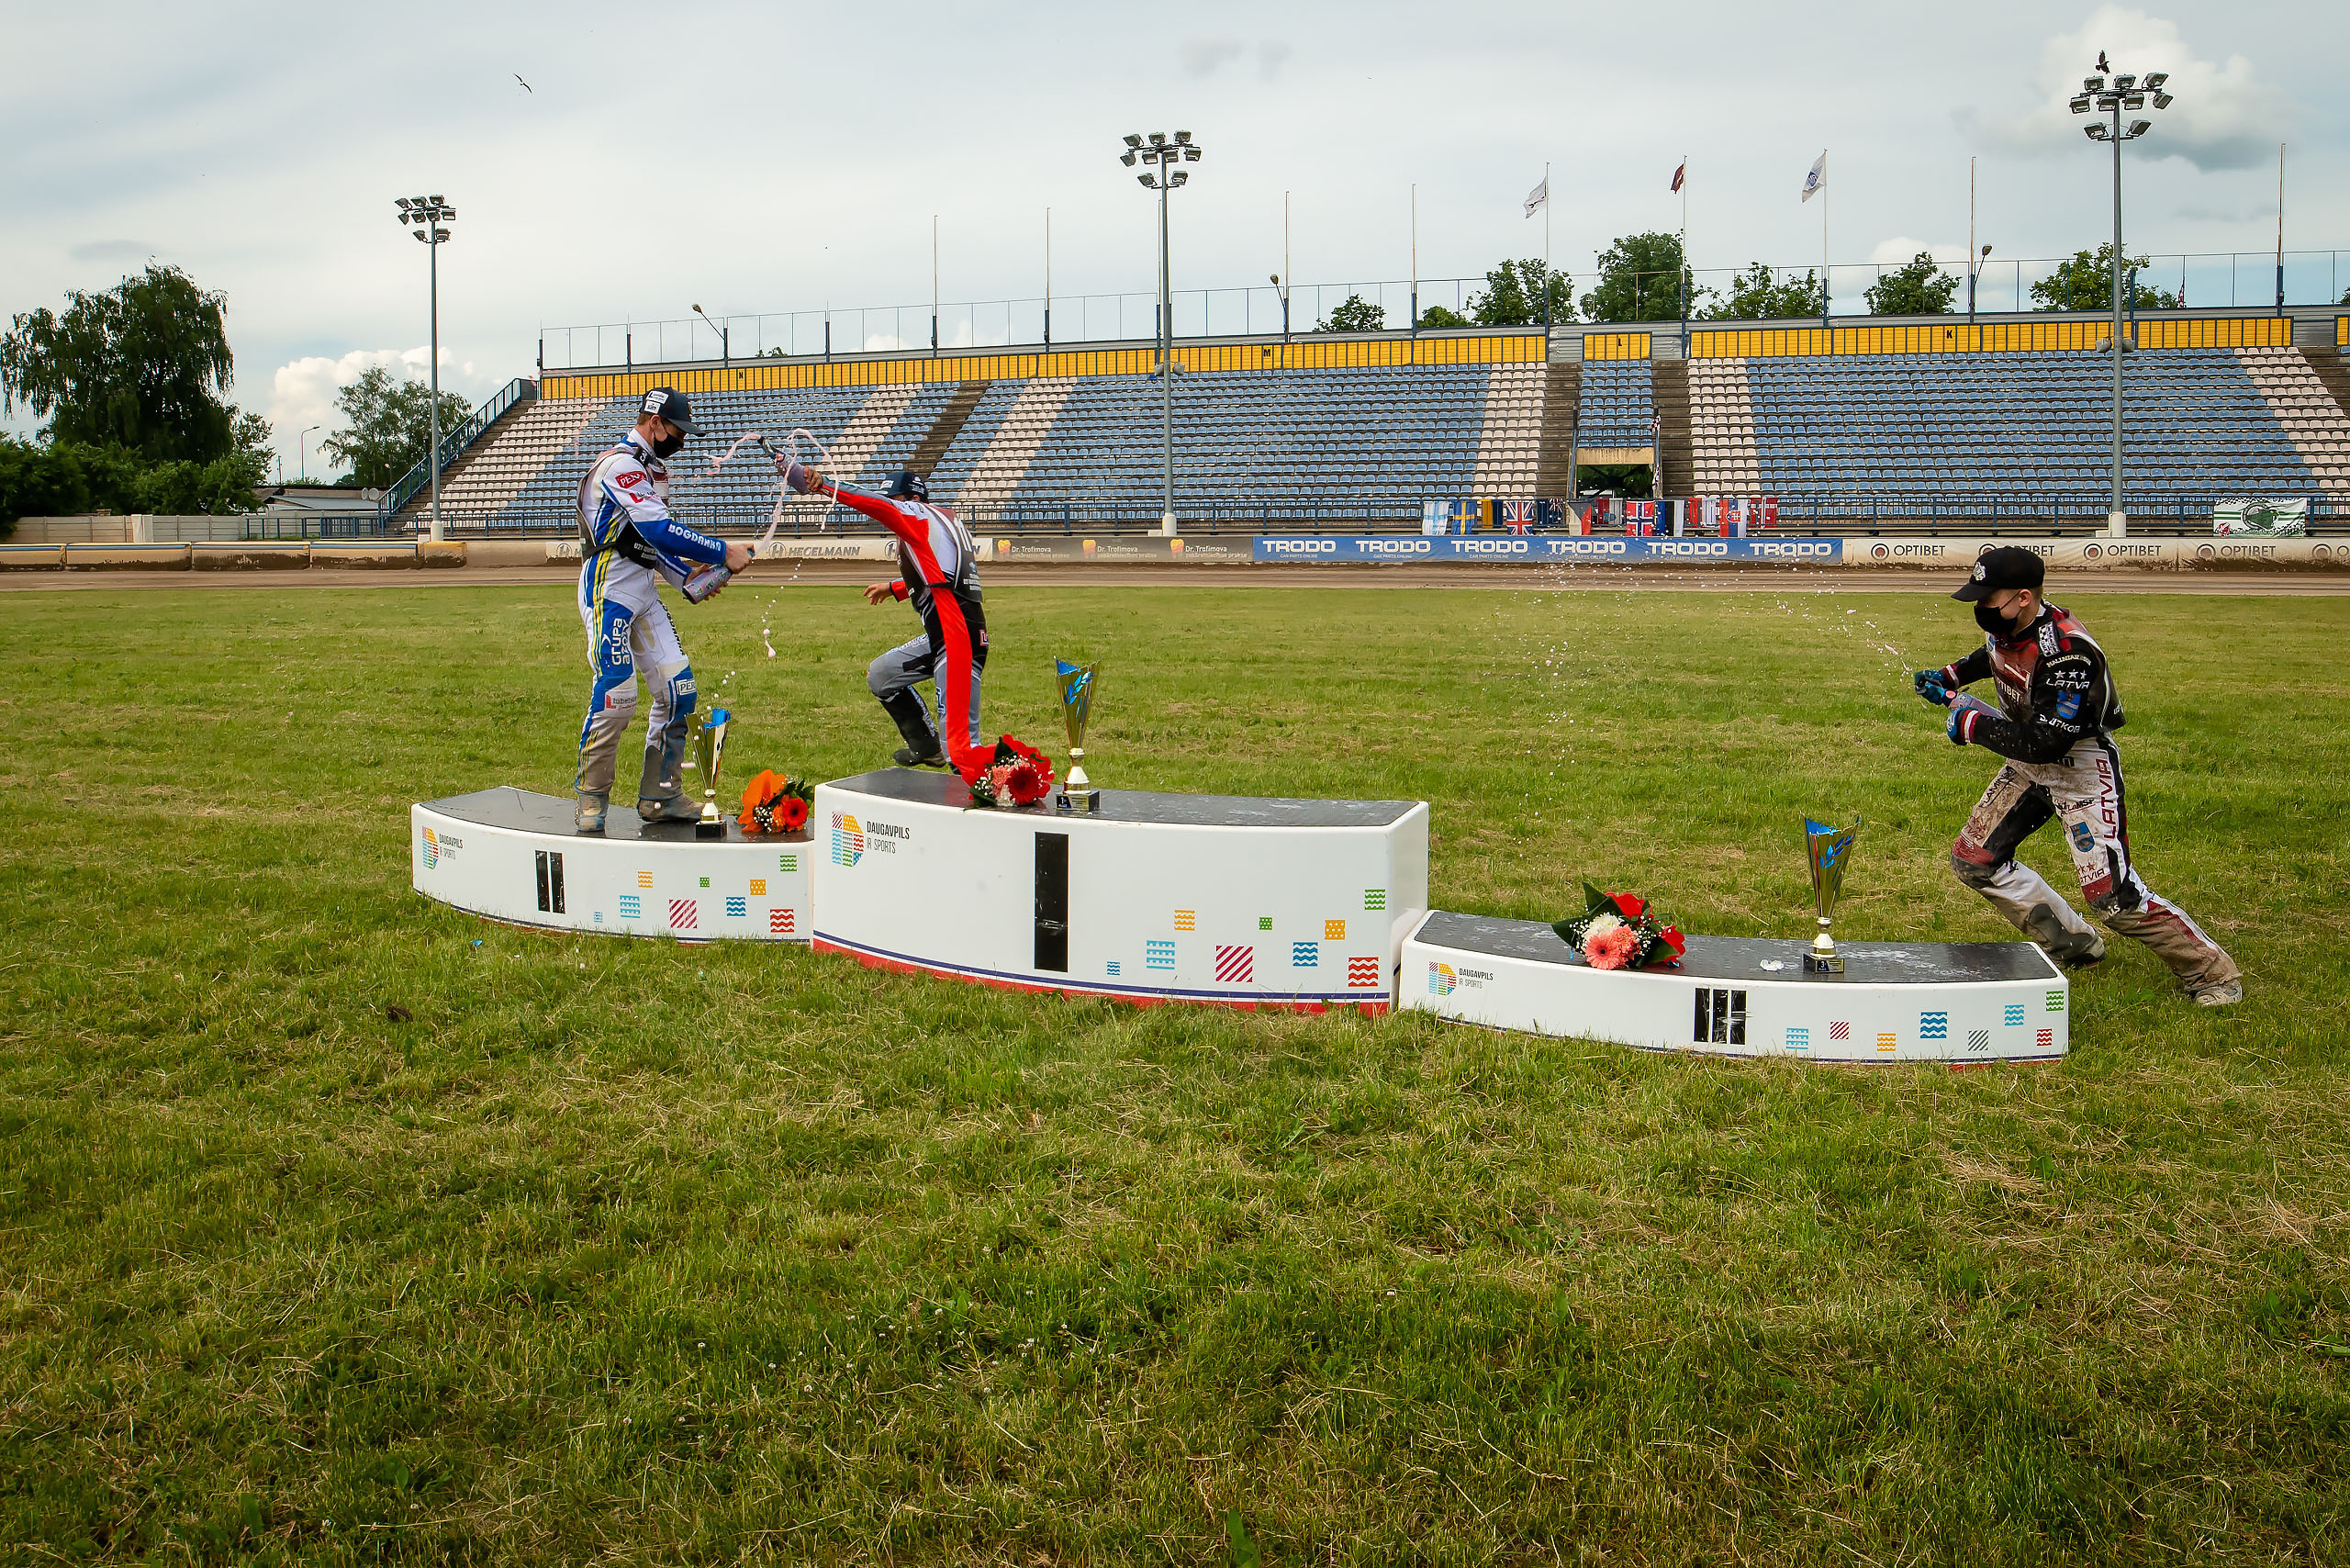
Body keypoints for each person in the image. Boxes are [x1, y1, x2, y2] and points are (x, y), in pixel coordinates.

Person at [1913, 546, 2242, 1005]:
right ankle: (2074, 946)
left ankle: (2212, 974)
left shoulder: (2069, 653)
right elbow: (1995, 655)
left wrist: (1972, 725)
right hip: (2029, 765)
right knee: (1975, 861)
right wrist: (1951, 675)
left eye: (1989, 599)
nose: (1981, 608)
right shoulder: (2009, 626)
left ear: (2023, 598)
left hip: (2079, 768)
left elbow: (2045, 742)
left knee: (2113, 899)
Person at [574, 386, 753, 834]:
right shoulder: (621, 465)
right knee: (617, 696)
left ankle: (661, 794)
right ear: (654, 423)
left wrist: (688, 579)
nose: (682, 440)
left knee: (680, 692)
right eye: (677, 430)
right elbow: (659, 530)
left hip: (644, 590)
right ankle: (592, 797)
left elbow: (649, 545)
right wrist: (722, 551)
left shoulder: (655, 471)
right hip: (608, 588)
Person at [785, 464, 990, 776]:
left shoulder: (919, 517)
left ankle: (1012, 790)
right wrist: (894, 588)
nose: (892, 508)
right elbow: (942, 574)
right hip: (949, 633)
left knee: (961, 750)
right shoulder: (941, 520)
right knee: (881, 675)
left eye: (896, 500)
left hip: (955, 637)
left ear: (914, 500)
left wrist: (825, 484)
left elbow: (875, 504)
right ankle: (926, 747)